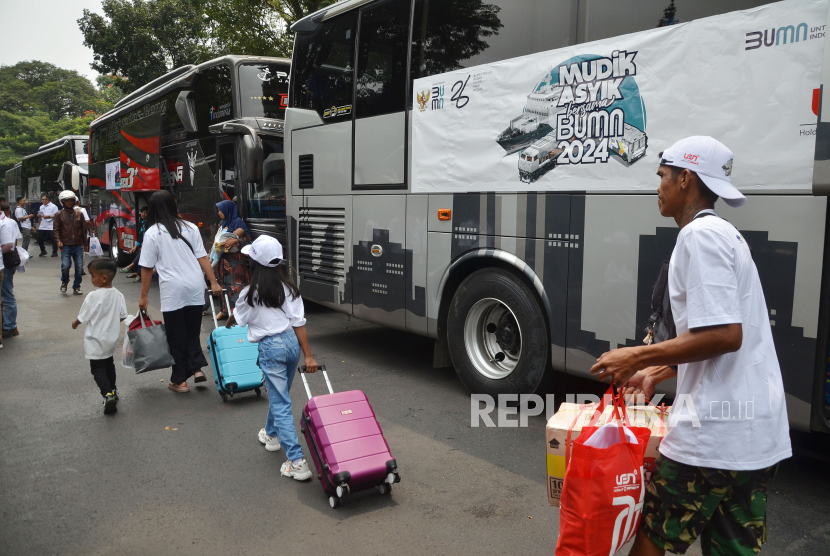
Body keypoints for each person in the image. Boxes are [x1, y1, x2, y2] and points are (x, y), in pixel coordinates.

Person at [590, 136, 791, 556]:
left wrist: (636, 355)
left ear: (685, 179)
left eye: (662, 176)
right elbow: (716, 343)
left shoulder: (699, 236)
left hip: (713, 435)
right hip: (753, 435)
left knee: (651, 538)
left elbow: (725, 335)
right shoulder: (725, 235)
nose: (658, 186)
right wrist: (656, 373)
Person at [226, 235, 318, 481]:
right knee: (281, 396)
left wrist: (230, 318)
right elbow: (298, 323)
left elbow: (239, 317)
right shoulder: (289, 289)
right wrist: (308, 356)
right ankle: (271, 434)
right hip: (291, 344)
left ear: (254, 264)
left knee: (280, 402)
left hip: (271, 348)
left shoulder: (248, 294)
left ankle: (297, 462)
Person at [137, 191, 222, 393]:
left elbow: (147, 268)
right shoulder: (190, 227)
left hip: (173, 289)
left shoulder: (152, 233)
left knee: (176, 335)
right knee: (192, 330)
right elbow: (202, 257)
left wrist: (144, 295)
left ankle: (180, 380)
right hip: (195, 285)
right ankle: (197, 368)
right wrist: (213, 281)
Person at [72, 258, 128, 414]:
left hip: (95, 340)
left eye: (92, 276)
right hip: (111, 339)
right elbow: (122, 316)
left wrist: (75, 322)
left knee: (97, 369)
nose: (91, 279)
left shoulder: (93, 296)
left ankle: (107, 394)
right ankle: (114, 390)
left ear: (103, 278)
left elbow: (83, 316)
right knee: (109, 365)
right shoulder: (118, 295)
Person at [213, 200, 251, 320]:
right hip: (222, 260)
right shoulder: (222, 223)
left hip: (235, 262)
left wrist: (236, 241)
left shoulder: (238, 222)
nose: (219, 212)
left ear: (228, 210)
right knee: (222, 284)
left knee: (236, 286)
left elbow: (248, 240)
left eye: (221, 210)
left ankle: (236, 313)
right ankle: (224, 310)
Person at [53, 191, 87, 295]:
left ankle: (76, 286)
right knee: (66, 266)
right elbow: (56, 229)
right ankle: (64, 281)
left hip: (78, 244)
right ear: (62, 202)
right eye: (66, 201)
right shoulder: (58, 215)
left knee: (79, 267)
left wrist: (85, 244)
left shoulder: (79, 214)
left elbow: (84, 229)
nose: (69, 203)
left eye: (71, 201)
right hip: (65, 245)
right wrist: (58, 240)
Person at [1, 201, 21, 339]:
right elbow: (15, 242)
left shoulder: (6, 223)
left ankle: (10, 327)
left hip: (5, 261)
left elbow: (9, 245)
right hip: (8, 260)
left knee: (6, 295)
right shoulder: (10, 222)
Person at [121, 206, 148, 282]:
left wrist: (144, 246)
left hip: (148, 245)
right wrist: (135, 246)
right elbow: (140, 236)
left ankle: (134, 269)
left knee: (141, 254)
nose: (144, 214)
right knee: (132, 252)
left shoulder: (150, 223)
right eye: (142, 212)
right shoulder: (141, 222)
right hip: (143, 244)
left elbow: (149, 237)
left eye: (146, 212)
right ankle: (135, 272)